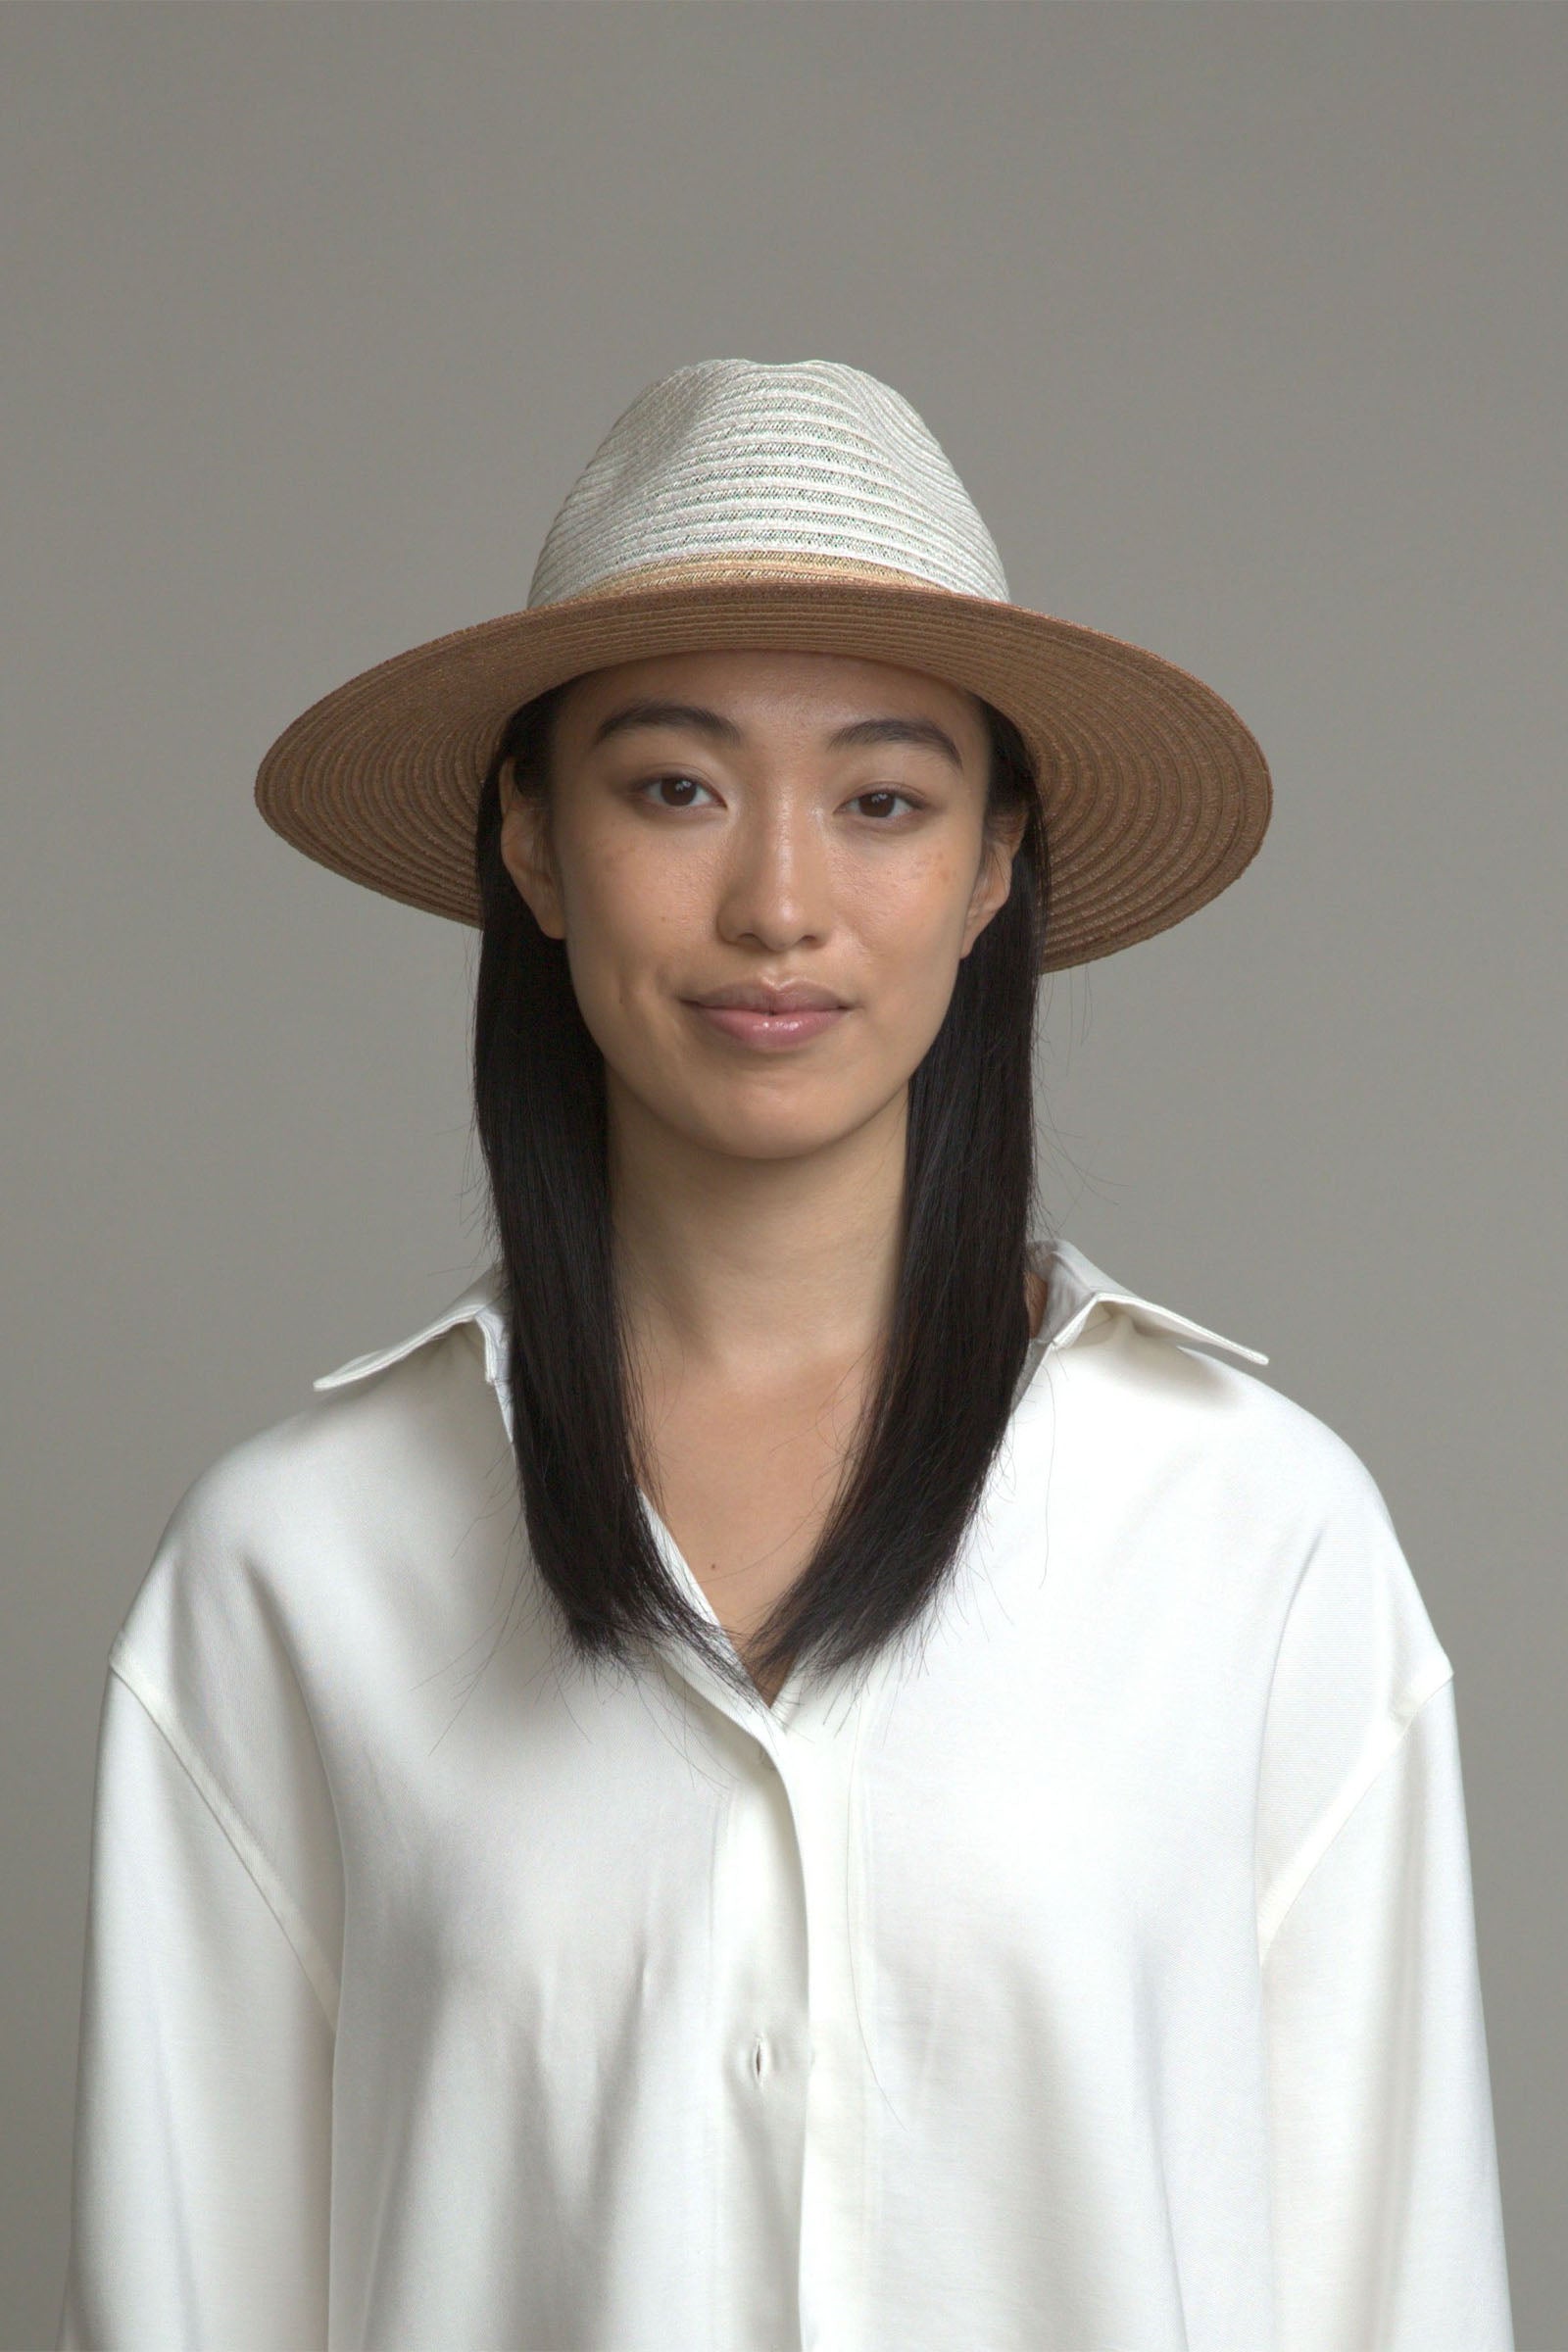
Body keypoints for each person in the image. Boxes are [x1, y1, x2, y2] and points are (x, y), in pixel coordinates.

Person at [55, 359, 1514, 2349]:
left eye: (881, 800)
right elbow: (190, 2297)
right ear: (534, 851)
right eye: (672, 787)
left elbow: (1388, 2285)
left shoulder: (1252, 1539)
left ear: (994, 864)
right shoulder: (290, 1571)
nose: (775, 902)